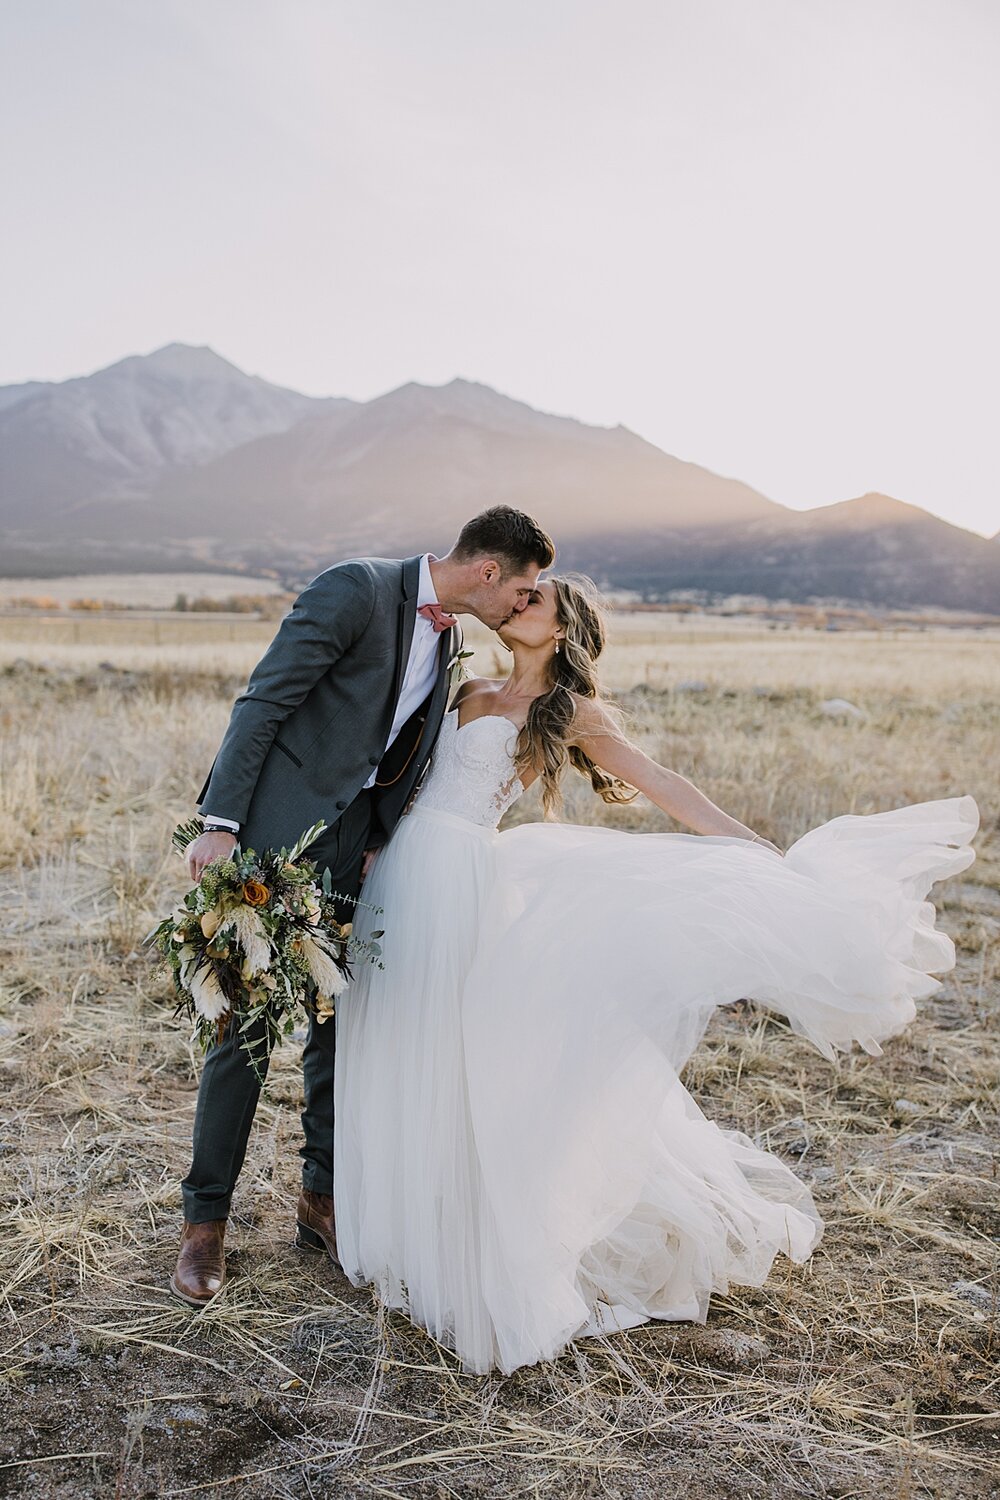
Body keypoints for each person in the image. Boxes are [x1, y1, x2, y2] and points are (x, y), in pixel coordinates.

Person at [334, 575, 978, 1375]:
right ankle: (400, 1227)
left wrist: (760, 857)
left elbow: (664, 786)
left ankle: (475, 1241)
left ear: (564, 626)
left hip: (464, 877)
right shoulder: (468, 686)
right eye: (516, 595)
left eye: (534, 599)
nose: (515, 603)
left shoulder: (567, 714)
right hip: (402, 875)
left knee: (457, 1051)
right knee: (394, 1037)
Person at [169, 506, 556, 1307]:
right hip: (270, 846)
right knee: (243, 1030)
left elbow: (403, 750)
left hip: (359, 856)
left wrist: (379, 836)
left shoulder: (451, 639)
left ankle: (321, 1200)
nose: (524, 605)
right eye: (522, 590)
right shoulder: (355, 590)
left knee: (339, 1030)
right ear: (488, 572)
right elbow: (264, 703)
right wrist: (220, 824)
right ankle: (205, 1226)